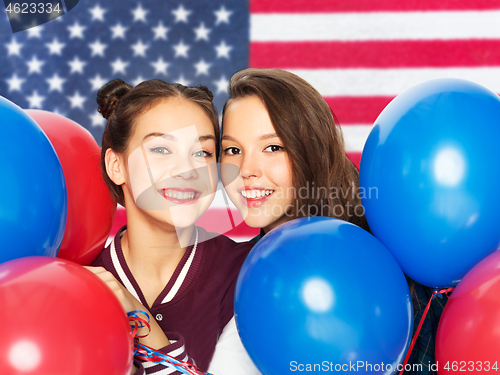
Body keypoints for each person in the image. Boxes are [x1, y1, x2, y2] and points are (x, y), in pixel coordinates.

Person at [219, 68, 446, 374]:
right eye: (233, 150)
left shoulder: (390, 261)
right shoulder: (233, 275)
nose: (246, 169)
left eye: (273, 147)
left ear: (310, 151)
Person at [86, 78, 259, 375]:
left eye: (202, 153)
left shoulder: (249, 272)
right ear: (116, 165)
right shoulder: (81, 283)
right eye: (162, 150)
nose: (187, 171)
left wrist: (139, 319)